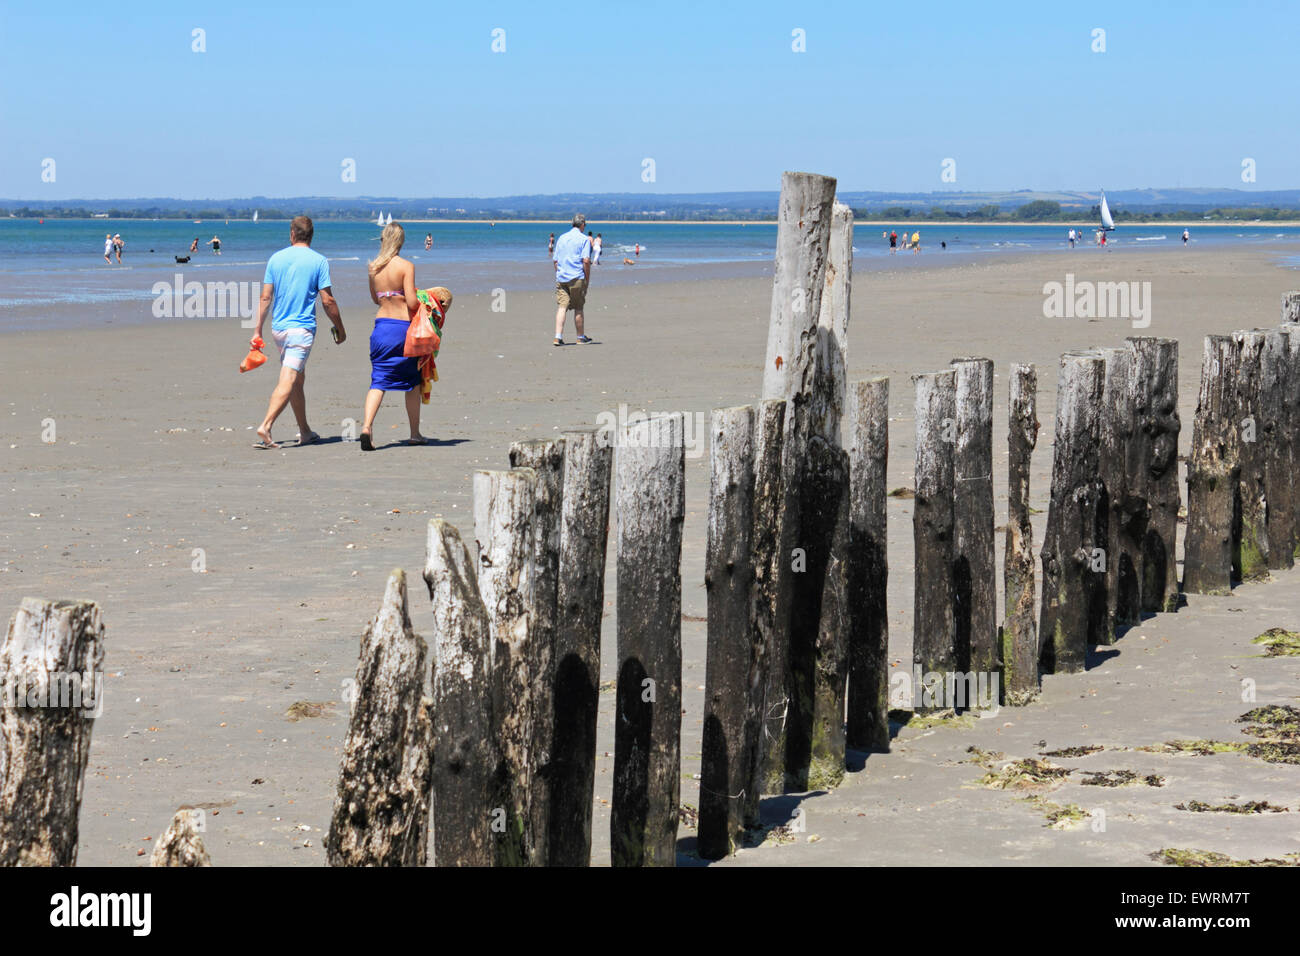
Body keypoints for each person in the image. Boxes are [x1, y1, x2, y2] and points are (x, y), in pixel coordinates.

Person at [250, 216, 345, 449]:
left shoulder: (275, 258)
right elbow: (328, 300)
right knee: (289, 378)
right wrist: (340, 328)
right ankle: (266, 425)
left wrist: (257, 330)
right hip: (300, 330)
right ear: (311, 236)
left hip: (279, 330)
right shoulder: (319, 261)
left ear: (292, 234)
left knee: (297, 379)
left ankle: (305, 431)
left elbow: (265, 297)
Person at [360, 222, 425, 450]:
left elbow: (374, 299)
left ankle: (367, 426)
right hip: (402, 329)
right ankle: (415, 433)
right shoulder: (406, 266)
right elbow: (411, 302)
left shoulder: (373, 268)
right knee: (412, 382)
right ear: (401, 241)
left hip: (381, 328)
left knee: (378, 380)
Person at [553, 213, 593, 346]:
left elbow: (556, 261)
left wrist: (559, 273)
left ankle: (557, 336)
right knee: (578, 307)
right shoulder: (584, 239)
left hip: (562, 277)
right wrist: (587, 278)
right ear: (582, 225)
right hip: (576, 276)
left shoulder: (562, 238)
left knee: (562, 307)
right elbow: (586, 261)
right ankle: (580, 337)